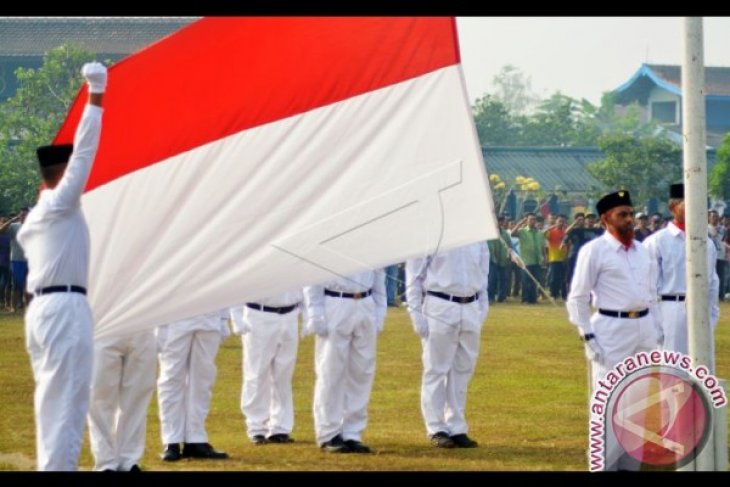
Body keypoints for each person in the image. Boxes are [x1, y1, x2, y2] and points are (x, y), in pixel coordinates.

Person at [15, 62, 106, 470]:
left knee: (55, 398)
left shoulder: (40, 214)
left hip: (44, 310)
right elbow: (85, 148)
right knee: (68, 400)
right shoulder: (58, 203)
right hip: (64, 308)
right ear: (62, 175)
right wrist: (96, 95)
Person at [566, 190, 663, 471]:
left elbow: (651, 292)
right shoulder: (594, 251)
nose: (629, 220)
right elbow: (578, 297)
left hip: (643, 327)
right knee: (608, 399)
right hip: (611, 327)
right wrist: (587, 335)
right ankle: (603, 465)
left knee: (638, 399)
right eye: (622, 215)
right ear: (605, 219)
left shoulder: (642, 250)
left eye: (631, 214)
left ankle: (629, 464)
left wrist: (656, 328)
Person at [405, 242, 490, 448]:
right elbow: (413, 280)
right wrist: (417, 316)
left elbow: (484, 277)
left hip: (470, 306)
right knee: (436, 370)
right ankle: (436, 428)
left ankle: (457, 426)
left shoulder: (478, 240)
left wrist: (481, 311)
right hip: (440, 304)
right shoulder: (431, 235)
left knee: (462, 371)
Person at [302, 269, 386, 454]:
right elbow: (313, 274)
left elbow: (379, 273)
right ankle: (328, 433)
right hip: (335, 302)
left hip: (365, 303)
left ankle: (352, 432)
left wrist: (380, 310)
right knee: (330, 372)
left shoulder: (373, 241)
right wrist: (315, 312)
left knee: (362, 372)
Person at [643, 183, 720, 365]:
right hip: (671, 309)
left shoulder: (706, 242)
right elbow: (647, 286)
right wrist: (655, 323)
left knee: (702, 370)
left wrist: (712, 316)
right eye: (688, 203)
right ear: (673, 207)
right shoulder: (657, 241)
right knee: (674, 372)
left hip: (701, 309)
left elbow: (712, 283)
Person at [229, 289, 303, 445]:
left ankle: (280, 428)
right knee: (256, 373)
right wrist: (236, 315)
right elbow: (241, 282)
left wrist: (308, 311)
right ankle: (256, 427)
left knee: (284, 374)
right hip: (259, 315)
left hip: (290, 314)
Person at [156, 309, 231, 461]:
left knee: (202, 381)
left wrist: (223, 318)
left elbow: (220, 285)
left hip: (210, 315)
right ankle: (172, 441)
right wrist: (161, 322)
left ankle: (196, 439)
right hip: (176, 316)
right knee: (171, 379)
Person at [87, 329, 157, 472]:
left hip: (143, 327)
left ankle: (129, 460)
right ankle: (105, 461)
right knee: (99, 399)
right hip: (105, 327)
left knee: (137, 399)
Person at [510, 213, 545, 304]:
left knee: (535, 281)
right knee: (526, 281)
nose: (532, 221)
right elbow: (512, 233)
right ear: (527, 221)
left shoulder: (540, 233)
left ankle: (533, 299)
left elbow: (542, 247)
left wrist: (544, 257)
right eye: (530, 219)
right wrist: (520, 223)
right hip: (526, 261)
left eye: (534, 219)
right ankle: (525, 299)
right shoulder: (522, 231)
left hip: (537, 260)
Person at [487, 215, 512, 303]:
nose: (500, 223)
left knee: (504, 280)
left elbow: (509, 246)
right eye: (499, 221)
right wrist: (493, 257)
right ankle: (490, 297)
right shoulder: (490, 233)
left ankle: (502, 297)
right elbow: (489, 247)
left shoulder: (505, 234)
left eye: (502, 221)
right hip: (493, 260)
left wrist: (509, 256)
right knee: (491, 280)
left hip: (503, 260)